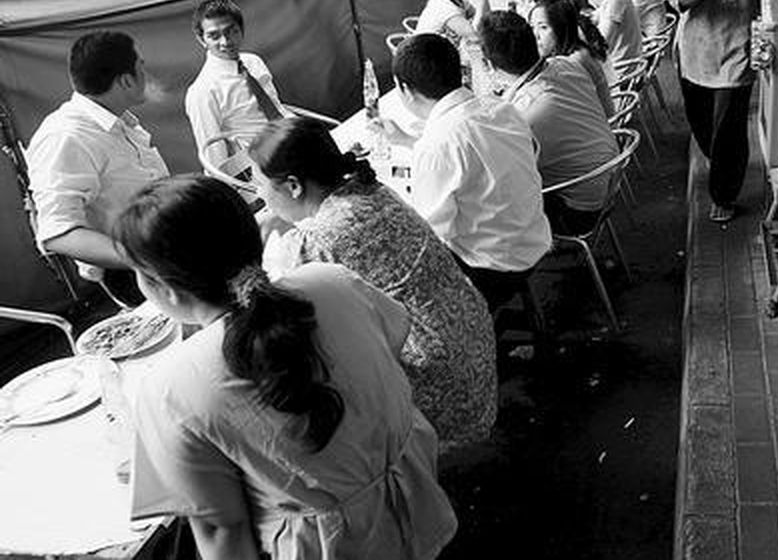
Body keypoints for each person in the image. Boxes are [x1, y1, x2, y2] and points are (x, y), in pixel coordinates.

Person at [117, 176, 457, 560]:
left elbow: (221, 529)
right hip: (420, 497)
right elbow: (393, 339)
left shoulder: (168, 387)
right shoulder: (330, 280)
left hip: (333, 546)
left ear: (165, 288)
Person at [247, 118, 497, 444]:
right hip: (473, 342)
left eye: (259, 184)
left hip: (438, 388)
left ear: (294, 186)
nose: (259, 195)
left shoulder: (313, 242)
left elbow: (283, 318)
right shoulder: (372, 189)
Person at [374, 34, 551, 312]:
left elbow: (432, 234)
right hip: (534, 236)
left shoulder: (438, 144)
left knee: (392, 272)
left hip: (495, 267)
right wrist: (408, 142)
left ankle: (466, 337)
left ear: (404, 89)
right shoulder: (500, 108)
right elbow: (479, 155)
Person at [25, 31, 169, 302]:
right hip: (136, 270)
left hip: (166, 243)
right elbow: (59, 233)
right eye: (141, 67)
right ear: (126, 80)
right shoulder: (65, 136)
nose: (146, 74)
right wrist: (144, 258)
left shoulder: (118, 120)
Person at [663, 0, 758, 223]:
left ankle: (724, 194)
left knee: (730, 129)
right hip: (697, 53)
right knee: (704, 128)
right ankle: (719, 164)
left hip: (739, 48)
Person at [480, 12, 619, 235]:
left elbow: (506, 178)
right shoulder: (567, 65)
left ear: (489, 65)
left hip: (579, 212)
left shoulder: (519, 115)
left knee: (490, 201)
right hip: (611, 179)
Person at [185, 0, 285, 168]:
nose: (225, 42)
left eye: (231, 31)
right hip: (264, 163)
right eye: (214, 36)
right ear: (202, 40)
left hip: (290, 138)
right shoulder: (202, 91)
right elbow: (215, 160)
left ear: (241, 29)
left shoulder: (253, 61)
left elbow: (276, 107)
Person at [529, 0, 613, 117]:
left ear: (561, 28)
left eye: (543, 27)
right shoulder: (578, 49)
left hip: (603, 126)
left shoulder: (571, 62)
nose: (535, 35)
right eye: (532, 27)